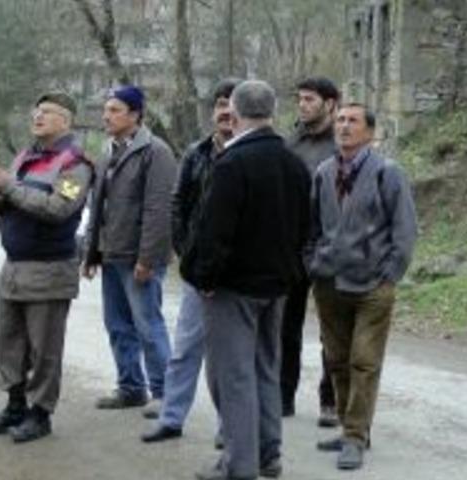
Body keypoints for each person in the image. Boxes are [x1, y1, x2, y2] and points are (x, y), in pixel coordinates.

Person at [181, 80, 311, 480]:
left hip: (233, 287)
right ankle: (268, 454)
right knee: (266, 370)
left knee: (232, 377)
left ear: (234, 115)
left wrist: (203, 276)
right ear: (272, 112)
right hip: (276, 285)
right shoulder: (294, 163)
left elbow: (215, 230)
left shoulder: (232, 163)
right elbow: (304, 228)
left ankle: (239, 465)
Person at [0, 92, 93, 443]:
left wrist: (9, 187)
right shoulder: (25, 156)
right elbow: (2, 201)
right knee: (8, 342)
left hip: (49, 269)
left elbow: (59, 208)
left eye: (47, 112)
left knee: (44, 349)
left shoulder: (76, 165)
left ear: (66, 122)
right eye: (36, 111)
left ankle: (40, 414)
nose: (37, 116)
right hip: (13, 267)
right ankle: (14, 405)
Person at [309, 103, 417, 471]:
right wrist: (313, 262)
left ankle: (355, 436)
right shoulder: (323, 172)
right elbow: (312, 227)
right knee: (336, 360)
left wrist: (391, 274)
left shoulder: (388, 173)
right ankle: (349, 427)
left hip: (373, 285)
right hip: (329, 283)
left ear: (369, 133)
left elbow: (405, 229)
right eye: (340, 120)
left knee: (364, 361)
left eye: (352, 121)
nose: (343, 126)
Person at [141, 79, 240, 444]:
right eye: (219, 104)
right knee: (184, 350)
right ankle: (171, 418)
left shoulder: (251, 154)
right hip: (198, 275)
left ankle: (229, 429)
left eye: (232, 103)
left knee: (229, 359)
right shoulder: (196, 153)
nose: (225, 111)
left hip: (237, 278)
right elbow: (177, 205)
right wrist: (189, 255)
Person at [83, 85, 176, 411]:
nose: (106, 116)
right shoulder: (107, 152)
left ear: (135, 115)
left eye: (114, 110)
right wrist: (91, 253)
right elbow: (98, 208)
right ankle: (131, 387)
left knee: (148, 325)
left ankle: (165, 393)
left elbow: (158, 210)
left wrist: (148, 258)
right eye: (105, 110)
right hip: (112, 255)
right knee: (118, 326)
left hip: (139, 258)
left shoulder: (156, 152)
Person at [281, 77, 340, 426]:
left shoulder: (343, 143)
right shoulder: (291, 143)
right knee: (285, 327)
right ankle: (282, 396)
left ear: (330, 104)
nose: (302, 105)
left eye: (310, 99)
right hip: (291, 246)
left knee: (331, 331)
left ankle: (330, 401)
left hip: (330, 248)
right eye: (300, 99)